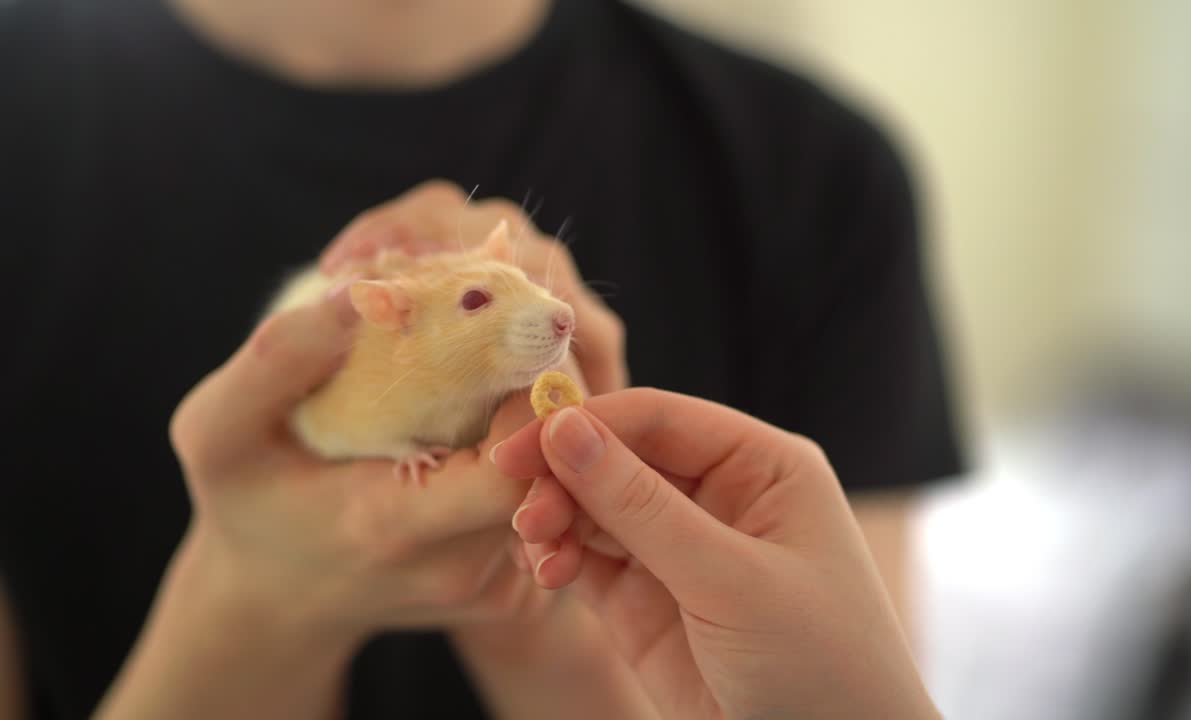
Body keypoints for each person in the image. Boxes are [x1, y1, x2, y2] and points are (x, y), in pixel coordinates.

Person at [0, 0, 962, 717]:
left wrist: (560, 619)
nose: (559, 319)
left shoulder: (814, 172)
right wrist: (250, 606)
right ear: (392, 317)